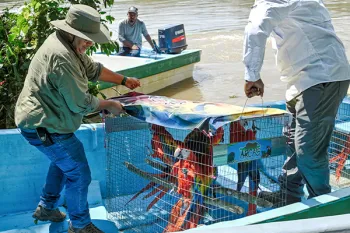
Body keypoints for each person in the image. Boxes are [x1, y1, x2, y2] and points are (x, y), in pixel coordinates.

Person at [14, 4, 140, 233]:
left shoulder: (65, 42)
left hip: (49, 119)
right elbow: (80, 103)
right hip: (43, 124)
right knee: (79, 173)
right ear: (72, 33)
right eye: (86, 38)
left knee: (64, 163)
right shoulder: (62, 57)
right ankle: (80, 226)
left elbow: (93, 69)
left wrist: (123, 80)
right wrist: (110, 104)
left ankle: (46, 207)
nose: (90, 43)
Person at [242, 0, 350, 206]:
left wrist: (252, 75)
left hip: (320, 76)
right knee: (292, 142)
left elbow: (255, 30)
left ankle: (323, 205)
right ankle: (288, 196)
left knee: (307, 151)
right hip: (302, 79)